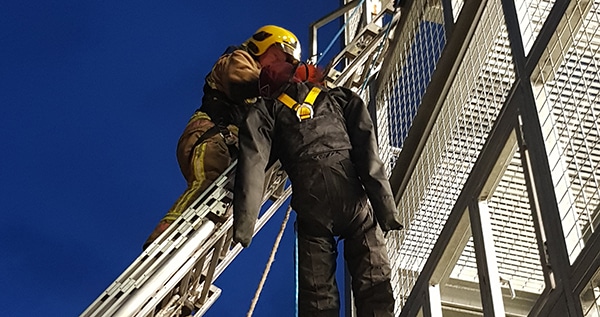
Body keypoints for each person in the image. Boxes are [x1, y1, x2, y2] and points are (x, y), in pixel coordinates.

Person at [232, 65, 403, 315]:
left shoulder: (265, 110)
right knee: (374, 280)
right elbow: (368, 154)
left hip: (312, 205)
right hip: (353, 197)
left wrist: (245, 227)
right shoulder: (340, 98)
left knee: (318, 297)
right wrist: (387, 210)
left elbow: (253, 164)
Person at [142, 25, 306, 250]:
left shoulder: (268, 93)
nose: (281, 66)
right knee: (209, 183)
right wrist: (289, 82)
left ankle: (199, 255)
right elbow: (241, 81)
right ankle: (162, 241)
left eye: (287, 64)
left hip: (234, 148)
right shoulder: (237, 59)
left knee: (229, 209)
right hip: (210, 136)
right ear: (261, 46)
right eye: (278, 58)